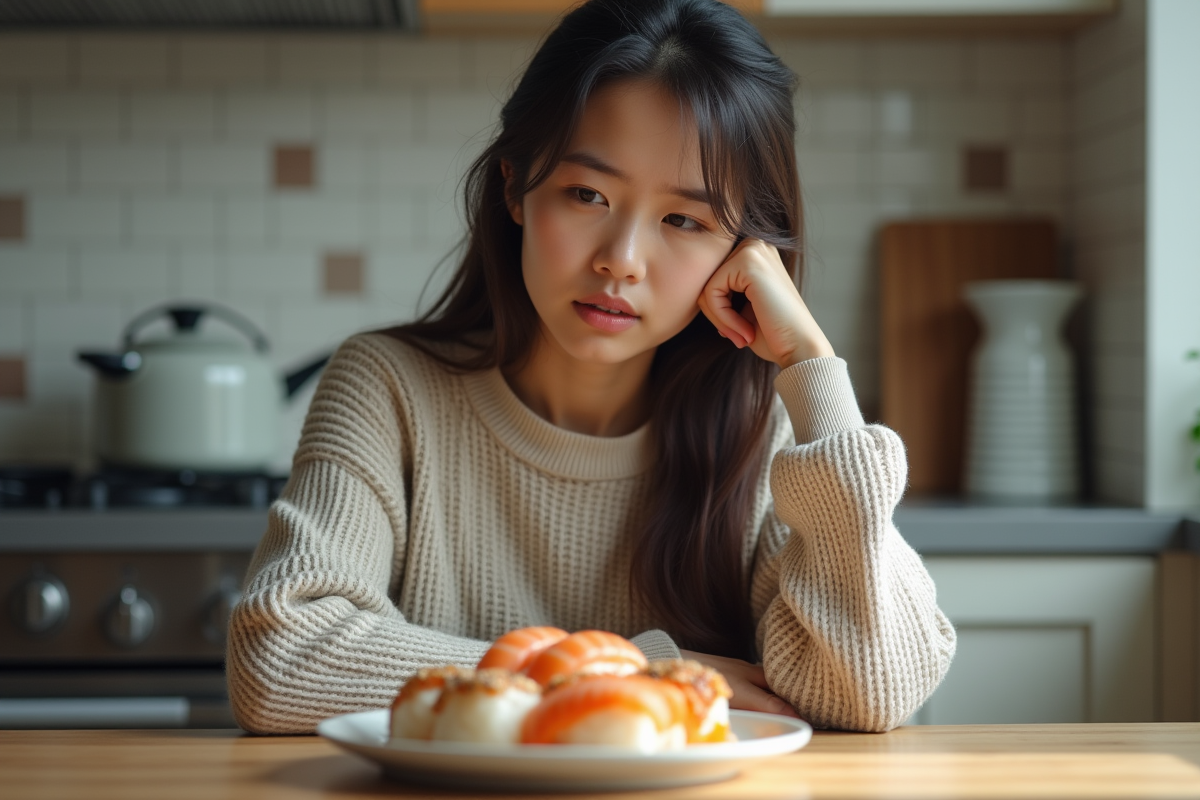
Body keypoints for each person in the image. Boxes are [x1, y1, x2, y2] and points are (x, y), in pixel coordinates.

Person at [227, 0, 956, 735]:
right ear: (515, 185)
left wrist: (811, 367)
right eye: (587, 194)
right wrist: (634, 675)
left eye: (684, 221)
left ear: (740, 254)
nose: (621, 260)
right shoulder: (388, 389)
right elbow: (278, 660)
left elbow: (871, 691)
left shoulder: (760, 429)